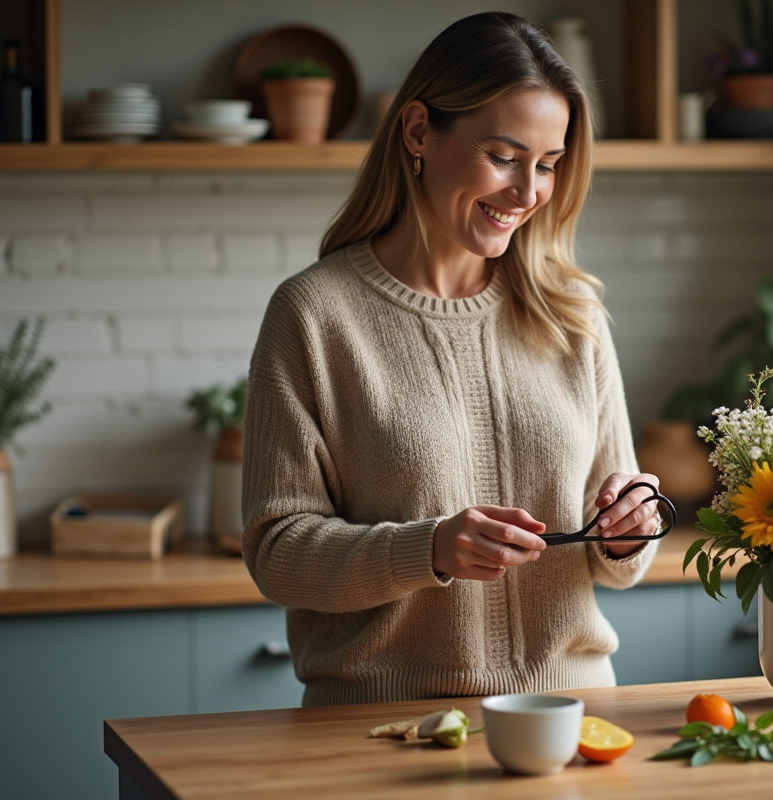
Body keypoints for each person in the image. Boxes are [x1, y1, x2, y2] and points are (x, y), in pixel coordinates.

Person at [242, 11, 664, 708]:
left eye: (548, 165)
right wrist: (429, 549)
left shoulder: (572, 314)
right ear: (417, 133)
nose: (528, 193)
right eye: (503, 156)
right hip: (385, 729)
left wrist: (629, 530)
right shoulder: (314, 315)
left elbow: (616, 564)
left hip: (571, 718)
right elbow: (278, 554)